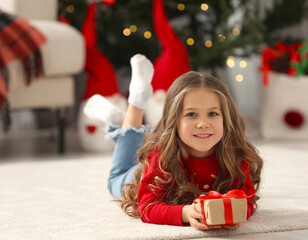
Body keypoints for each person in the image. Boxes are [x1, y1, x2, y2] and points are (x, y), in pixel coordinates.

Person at [84, 54, 263, 231]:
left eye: (213, 114)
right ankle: (135, 104)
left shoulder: (236, 153)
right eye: (191, 114)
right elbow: (148, 208)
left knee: (151, 143)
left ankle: (126, 121)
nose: (203, 124)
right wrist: (185, 213)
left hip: (164, 151)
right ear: (174, 120)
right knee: (115, 180)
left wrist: (236, 215)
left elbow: (246, 199)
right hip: (137, 177)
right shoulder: (160, 155)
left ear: (227, 118)